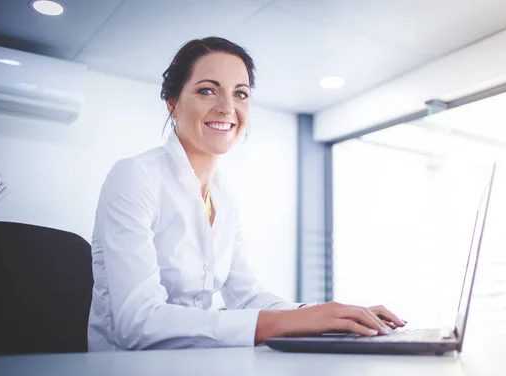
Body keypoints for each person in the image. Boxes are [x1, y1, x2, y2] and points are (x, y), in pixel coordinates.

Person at [87, 37, 404, 351]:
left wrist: (327, 315)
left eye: (240, 94)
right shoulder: (134, 177)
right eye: (207, 90)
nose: (227, 108)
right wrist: (288, 323)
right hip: (126, 375)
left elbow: (247, 296)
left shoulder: (222, 195)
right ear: (172, 101)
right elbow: (138, 323)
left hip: (193, 369)